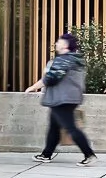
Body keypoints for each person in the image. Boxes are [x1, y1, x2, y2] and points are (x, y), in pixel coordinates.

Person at [29, 31, 95, 164]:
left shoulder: (64, 59)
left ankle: (89, 154)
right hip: (68, 98)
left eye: (59, 42)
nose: (56, 43)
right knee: (54, 126)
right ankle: (46, 154)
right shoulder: (74, 59)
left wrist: (32, 87)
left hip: (63, 100)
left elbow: (50, 78)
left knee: (71, 128)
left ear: (65, 46)